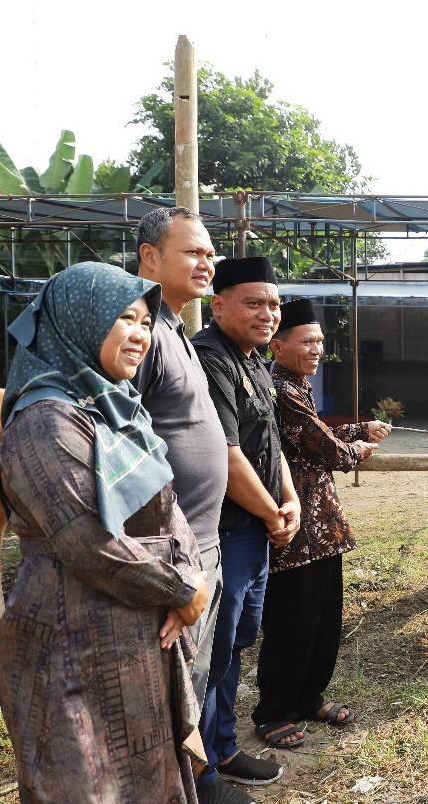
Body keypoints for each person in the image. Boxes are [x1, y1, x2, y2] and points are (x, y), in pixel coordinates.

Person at [0, 262, 210, 802]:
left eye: (145, 321)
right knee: (85, 783)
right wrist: (184, 589)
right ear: (79, 323)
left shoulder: (117, 410)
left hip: (134, 638)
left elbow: (167, 502)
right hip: (70, 650)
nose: (140, 334)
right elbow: (87, 540)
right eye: (123, 319)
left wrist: (190, 571)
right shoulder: (45, 420)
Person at [133, 206, 237, 802]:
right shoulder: (140, 330)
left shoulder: (174, 325)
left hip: (203, 542)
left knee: (192, 682)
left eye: (209, 253)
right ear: (150, 257)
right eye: (194, 252)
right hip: (172, 552)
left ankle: (192, 782)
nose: (208, 262)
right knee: (167, 686)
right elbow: (124, 444)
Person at [252, 300, 388, 743]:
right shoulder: (279, 389)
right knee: (291, 622)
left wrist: (358, 429)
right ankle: (274, 712)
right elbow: (324, 449)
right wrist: (357, 450)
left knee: (322, 620)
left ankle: (308, 698)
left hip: (321, 530)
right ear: (277, 345)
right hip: (294, 528)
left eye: (321, 342)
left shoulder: (297, 387)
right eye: (307, 341)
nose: (317, 350)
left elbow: (315, 434)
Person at [194, 255, 302, 788]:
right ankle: (202, 766)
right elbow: (227, 455)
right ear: (218, 305)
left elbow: (270, 442)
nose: (269, 313)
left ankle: (225, 747)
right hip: (224, 530)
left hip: (256, 526)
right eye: (254, 302)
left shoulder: (255, 360)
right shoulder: (208, 358)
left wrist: (289, 500)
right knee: (213, 648)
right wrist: (270, 510)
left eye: (275, 304)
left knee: (237, 639)